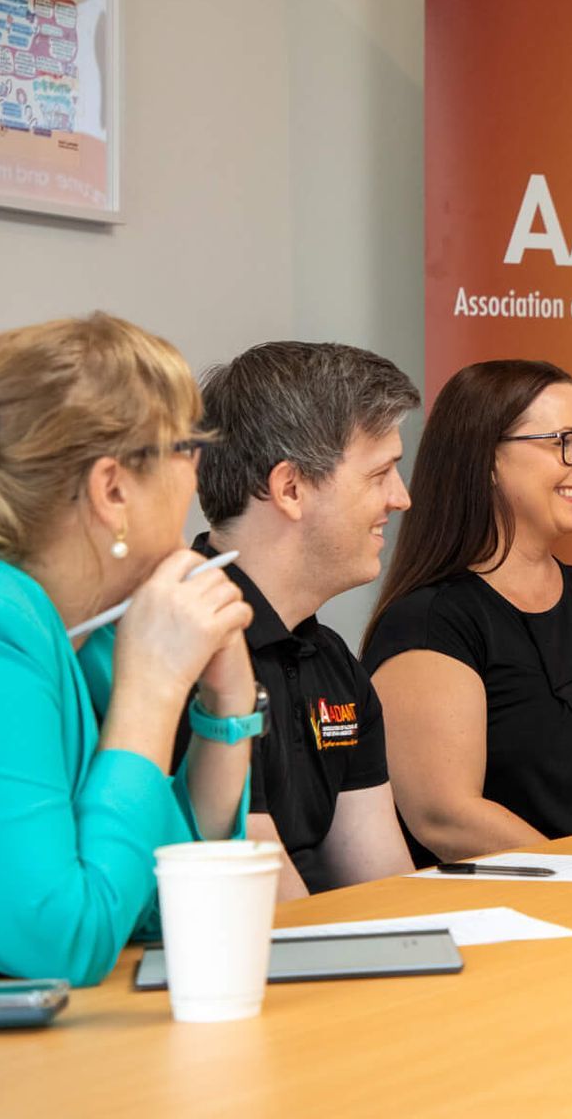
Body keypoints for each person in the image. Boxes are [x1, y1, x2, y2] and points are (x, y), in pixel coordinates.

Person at [0, 314, 255, 985]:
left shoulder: (81, 636)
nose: (199, 465)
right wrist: (150, 696)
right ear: (112, 488)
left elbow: (149, 901)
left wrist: (226, 707)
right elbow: (64, 941)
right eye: (185, 445)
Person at [362, 360, 572, 863]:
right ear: (487, 459)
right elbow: (446, 814)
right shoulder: (433, 622)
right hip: (526, 917)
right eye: (563, 441)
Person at [182, 341, 420, 898]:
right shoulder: (181, 641)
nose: (401, 498)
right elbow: (269, 899)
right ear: (290, 488)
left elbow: (387, 884)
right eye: (381, 473)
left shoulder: (333, 660)